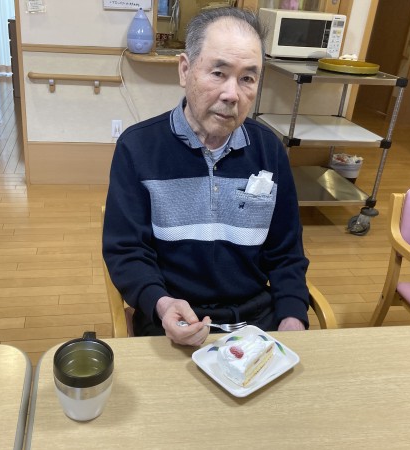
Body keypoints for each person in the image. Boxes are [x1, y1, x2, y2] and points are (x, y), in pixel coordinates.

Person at [103, 7, 309, 346]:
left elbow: (286, 252)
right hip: (173, 321)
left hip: (256, 323)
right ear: (185, 70)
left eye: (247, 79)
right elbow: (126, 251)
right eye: (218, 73)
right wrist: (161, 304)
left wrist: (292, 316)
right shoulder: (137, 148)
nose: (232, 94)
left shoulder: (269, 149)